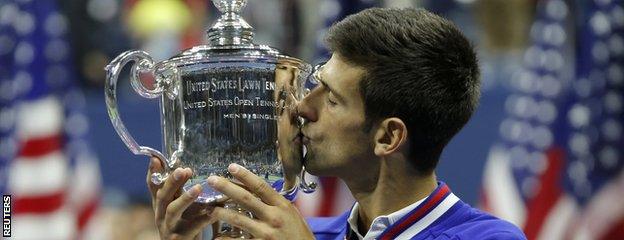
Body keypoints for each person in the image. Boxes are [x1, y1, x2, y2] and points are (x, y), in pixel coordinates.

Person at [146, 8, 527, 240]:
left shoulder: (490, 238)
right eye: (313, 85)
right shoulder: (303, 232)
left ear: (388, 136)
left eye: (329, 97)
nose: (301, 107)